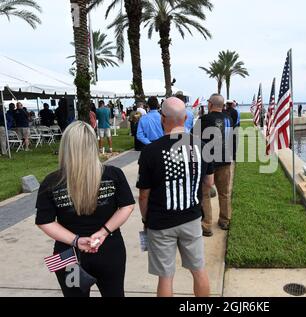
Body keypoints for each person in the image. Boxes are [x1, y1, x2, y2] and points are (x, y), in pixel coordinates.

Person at [35, 121, 135, 297]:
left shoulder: (51, 182)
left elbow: (44, 221)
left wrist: (76, 240)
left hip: (67, 253)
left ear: (66, 147)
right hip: (109, 249)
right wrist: (103, 232)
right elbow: (127, 205)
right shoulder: (113, 174)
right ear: (93, 144)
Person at [137, 97, 214, 297]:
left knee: (165, 277)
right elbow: (209, 182)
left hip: (160, 222)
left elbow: (143, 196)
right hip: (192, 217)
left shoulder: (150, 151)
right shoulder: (202, 146)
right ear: (186, 117)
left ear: (163, 118)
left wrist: (146, 219)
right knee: (199, 271)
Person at [192, 94, 234, 237]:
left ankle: (206, 225)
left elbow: (194, 139)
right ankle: (225, 220)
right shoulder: (229, 119)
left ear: (210, 104)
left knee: (204, 194)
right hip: (225, 160)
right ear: (222, 105)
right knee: (224, 193)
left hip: (207, 161)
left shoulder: (203, 119)